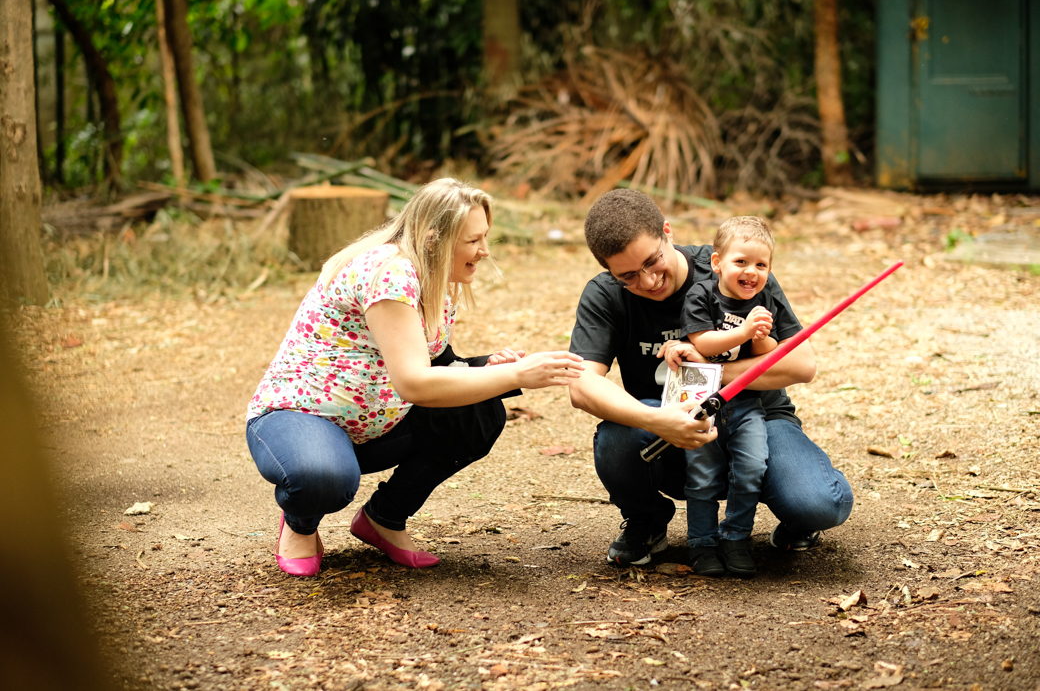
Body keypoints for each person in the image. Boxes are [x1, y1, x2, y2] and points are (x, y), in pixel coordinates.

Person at [246, 178, 585, 576]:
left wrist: (491, 367)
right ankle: (300, 522)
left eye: (484, 237)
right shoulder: (389, 272)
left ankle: (384, 519)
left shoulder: (436, 281)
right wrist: (519, 374)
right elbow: (414, 383)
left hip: (376, 422)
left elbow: (437, 363)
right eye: (473, 240)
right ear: (433, 239)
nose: (484, 250)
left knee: (478, 412)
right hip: (302, 416)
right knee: (324, 478)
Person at [568, 189, 853, 568]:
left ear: (667, 231)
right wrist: (658, 421)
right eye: (629, 276)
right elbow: (581, 386)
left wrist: (709, 373)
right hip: (672, 430)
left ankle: (797, 518)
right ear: (608, 271)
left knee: (821, 505)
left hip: (759, 419)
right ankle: (647, 522)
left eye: (653, 261)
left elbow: (802, 365)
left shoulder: (735, 266)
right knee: (616, 438)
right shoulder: (604, 296)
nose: (650, 281)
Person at [679, 216, 801, 577]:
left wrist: (762, 333)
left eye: (761, 265)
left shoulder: (764, 300)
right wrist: (745, 329)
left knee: (751, 467)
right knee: (701, 472)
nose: (752, 271)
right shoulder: (701, 294)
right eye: (741, 262)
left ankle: (736, 537)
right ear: (717, 263)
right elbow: (703, 342)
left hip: (747, 403)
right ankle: (701, 543)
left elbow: (769, 351)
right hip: (703, 400)